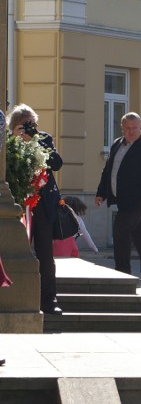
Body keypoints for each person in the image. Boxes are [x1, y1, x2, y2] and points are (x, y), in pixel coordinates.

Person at [9, 104, 64, 314]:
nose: (31, 128)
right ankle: (14, 296)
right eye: (25, 124)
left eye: (33, 123)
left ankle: (49, 300)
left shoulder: (44, 139)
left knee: (45, 255)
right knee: (13, 252)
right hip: (17, 204)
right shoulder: (9, 142)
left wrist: (34, 140)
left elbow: (57, 163)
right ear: (15, 125)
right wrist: (14, 138)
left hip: (42, 206)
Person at [95, 112, 141, 283]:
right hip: (121, 200)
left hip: (137, 201)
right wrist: (102, 192)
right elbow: (108, 170)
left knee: (120, 233)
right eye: (128, 128)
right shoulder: (117, 144)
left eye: (134, 128)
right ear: (122, 128)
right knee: (140, 239)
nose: (131, 132)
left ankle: (122, 273)